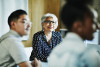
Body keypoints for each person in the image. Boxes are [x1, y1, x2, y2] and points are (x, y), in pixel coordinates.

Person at [48, 0, 100, 67]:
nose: (98, 26)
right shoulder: (90, 56)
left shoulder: (54, 53)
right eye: (94, 22)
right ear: (78, 26)